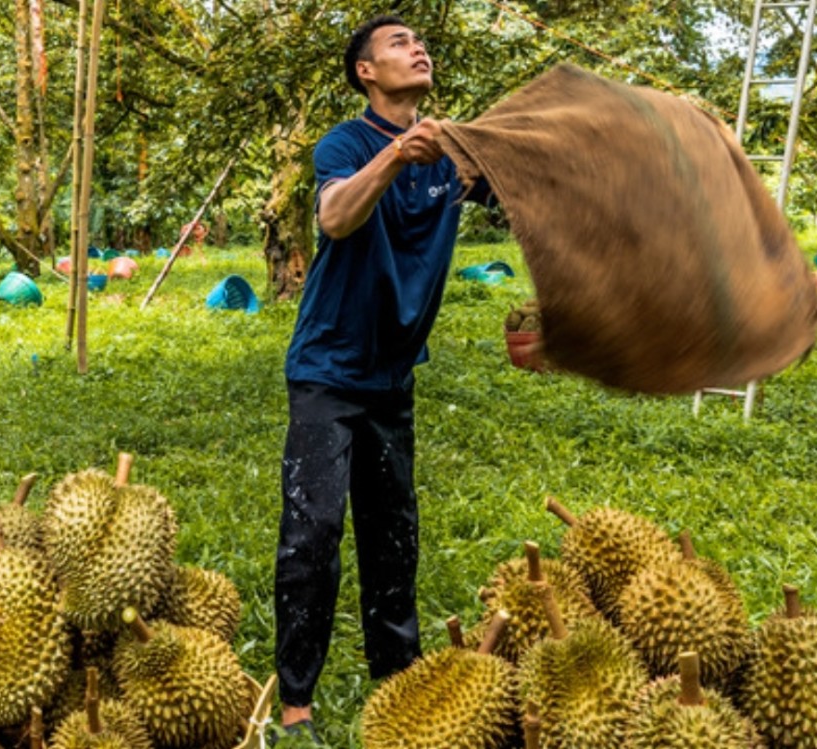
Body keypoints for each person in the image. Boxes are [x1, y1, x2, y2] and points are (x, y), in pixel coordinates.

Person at [272, 15, 493, 745]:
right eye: (399, 43)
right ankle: (297, 701)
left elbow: (534, 192)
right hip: (328, 368)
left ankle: (398, 680)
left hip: (392, 376)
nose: (417, 47)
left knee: (393, 532)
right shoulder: (345, 143)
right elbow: (336, 217)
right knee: (314, 530)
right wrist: (398, 153)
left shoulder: (453, 157)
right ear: (365, 72)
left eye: (419, 41)